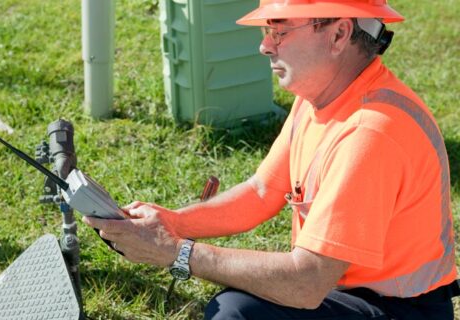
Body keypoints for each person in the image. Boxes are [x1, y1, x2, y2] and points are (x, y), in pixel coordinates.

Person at [83, 0, 459, 319]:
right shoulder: (322, 96)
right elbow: (262, 191)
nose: (265, 46)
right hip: (351, 290)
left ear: (340, 34)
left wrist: (175, 252)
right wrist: (173, 222)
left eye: (279, 31)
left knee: (237, 312)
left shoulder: (369, 134)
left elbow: (306, 282)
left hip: (398, 309)